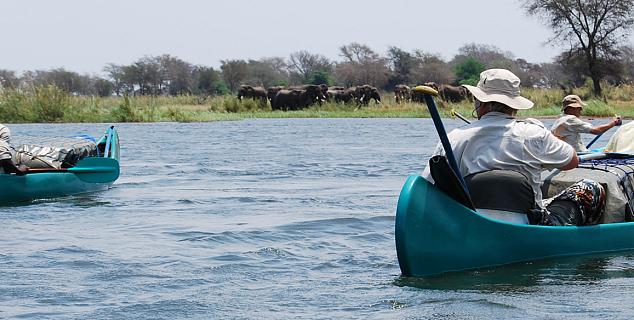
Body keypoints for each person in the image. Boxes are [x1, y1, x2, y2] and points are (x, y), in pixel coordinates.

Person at [422, 69, 605, 226]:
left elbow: (428, 186)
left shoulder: (454, 138)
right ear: (514, 106)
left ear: (480, 103)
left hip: (471, 224)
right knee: (591, 187)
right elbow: (572, 160)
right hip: (531, 226)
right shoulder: (534, 134)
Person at [551, 95, 621, 152]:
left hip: (564, 153)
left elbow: (587, 127)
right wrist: (614, 123)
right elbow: (596, 131)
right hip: (576, 155)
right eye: (580, 108)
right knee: (611, 150)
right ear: (573, 108)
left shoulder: (559, 120)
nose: (581, 110)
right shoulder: (570, 119)